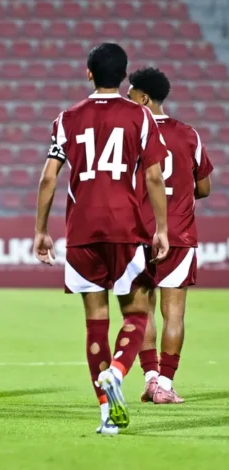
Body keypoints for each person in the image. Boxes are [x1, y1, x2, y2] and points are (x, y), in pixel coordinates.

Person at [33, 43, 169, 434]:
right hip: (126, 227)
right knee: (138, 313)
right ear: (124, 76)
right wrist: (161, 228)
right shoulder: (141, 117)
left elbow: (48, 177)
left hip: (81, 231)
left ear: (88, 73)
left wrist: (41, 230)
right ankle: (120, 373)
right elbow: (154, 177)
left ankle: (107, 414)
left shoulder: (65, 119)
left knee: (95, 320)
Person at [127, 67, 214, 404]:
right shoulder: (189, 134)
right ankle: (165, 383)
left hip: (137, 235)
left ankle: (149, 379)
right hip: (178, 235)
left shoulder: (131, 134)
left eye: (131, 94)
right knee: (173, 314)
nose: (127, 100)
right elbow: (204, 188)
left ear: (144, 98)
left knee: (141, 311)